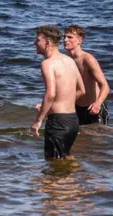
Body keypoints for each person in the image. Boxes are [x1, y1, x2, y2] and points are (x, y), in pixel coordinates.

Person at [32, 25, 85, 159]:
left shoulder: (47, 64)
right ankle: (75, 179)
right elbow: (82, 90)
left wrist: (39, 120)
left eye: (38, 40)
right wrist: (62, 102)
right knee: (65, 158)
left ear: (47, 43)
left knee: (53, 165)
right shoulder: (70, 60)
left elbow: (50, 94)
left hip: (58, 123)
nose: (34, 43)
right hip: (73, 121)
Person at [64, 25, 110, 125]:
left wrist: (97, 104)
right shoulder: (66, 60)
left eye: (69, 37)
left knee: (99, 139)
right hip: (76, 108)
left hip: (94, 107)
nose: (65, 40)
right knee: (80, 139)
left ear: (80, 40)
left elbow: (105, 86)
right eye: (64, 37)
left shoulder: (88, 59)